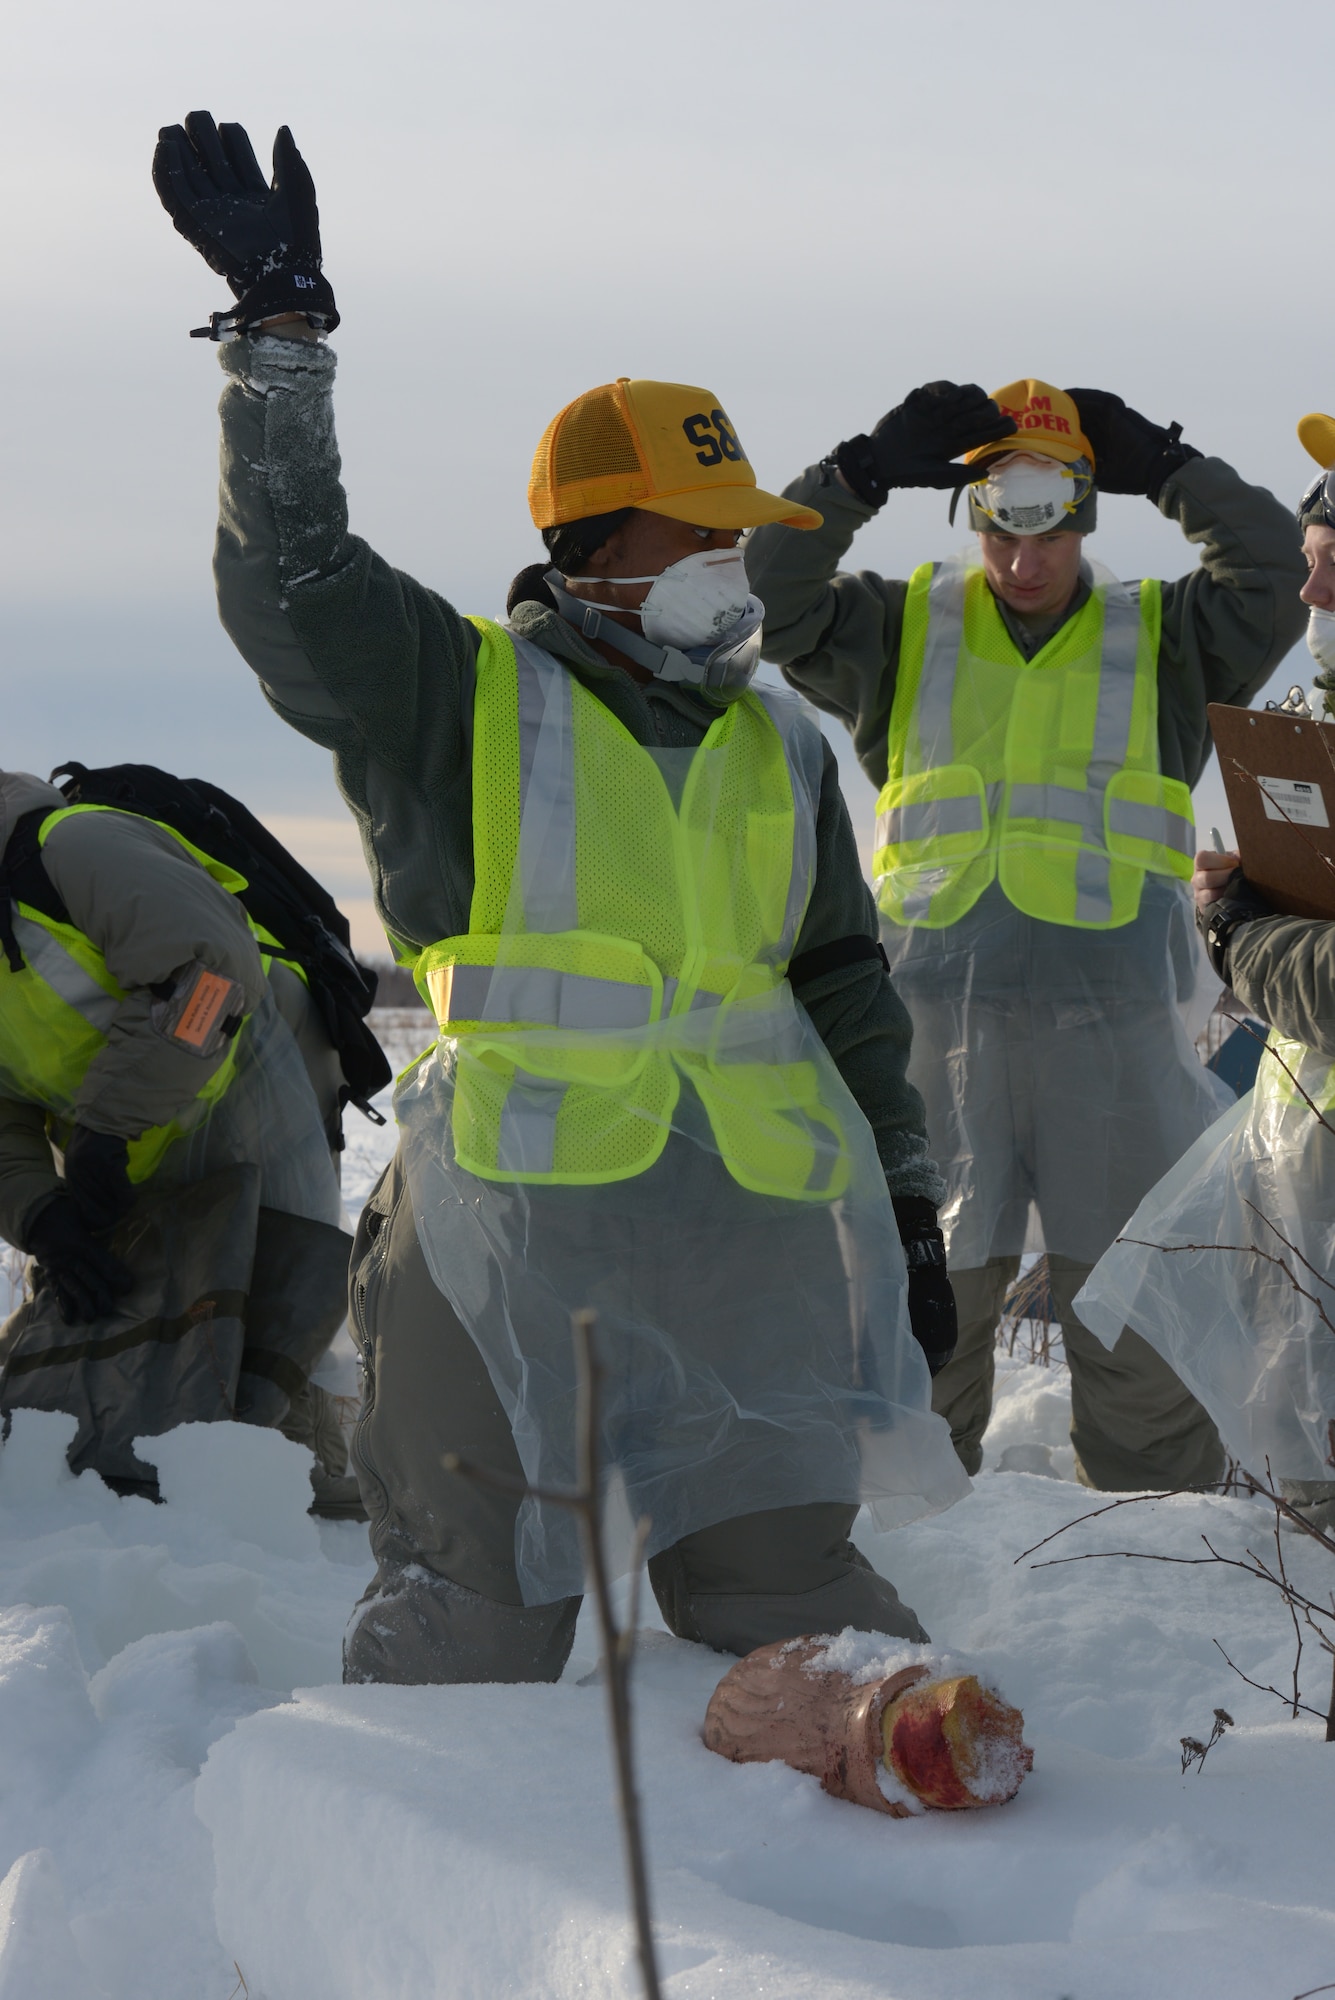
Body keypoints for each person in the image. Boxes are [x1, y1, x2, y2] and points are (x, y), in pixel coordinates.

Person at [152, 110, 970, 1686]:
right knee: (473, 1622)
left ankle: (852, 1906)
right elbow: (292, 578)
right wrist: (279, 346)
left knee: (794, 1610)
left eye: (740, 540)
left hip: (745, 1234)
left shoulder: (780, 739)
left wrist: (906, 1208)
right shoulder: (452, 696)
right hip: (509, 1226)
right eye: (698, 535)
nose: (731, 566)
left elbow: (840, 986)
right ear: (595, 545)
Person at [745, 378, 1308, 1490]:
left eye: (1051, 511)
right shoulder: (902, 628)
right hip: (935, 1036)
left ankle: (1145, 1547)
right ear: (976, 513)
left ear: (1088, 508)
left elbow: (1276, 574)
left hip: (1118, 1038)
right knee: (926, 1299)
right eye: (1004, 513)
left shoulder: (1168, 637)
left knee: (1134, 1301)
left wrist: (1172, 463)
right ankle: (921, 1537)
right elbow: (770, 592)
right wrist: (861, 469)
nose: (1026, 551)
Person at [1076, 417, 1335, 1526]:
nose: (1311, 602)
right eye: (1310, 562)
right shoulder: (1312, 732)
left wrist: (1239, 931)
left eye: (1332, 571)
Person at [0, 766, 356, 1509]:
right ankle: (161, 1470)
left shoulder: (77, 846)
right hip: (126, 1134)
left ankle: (322, 1476)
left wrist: (105, 1126)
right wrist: (41, 1215)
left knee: (280, 1285)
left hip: (257, 1076)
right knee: (137, 1300)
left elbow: (208, 980)